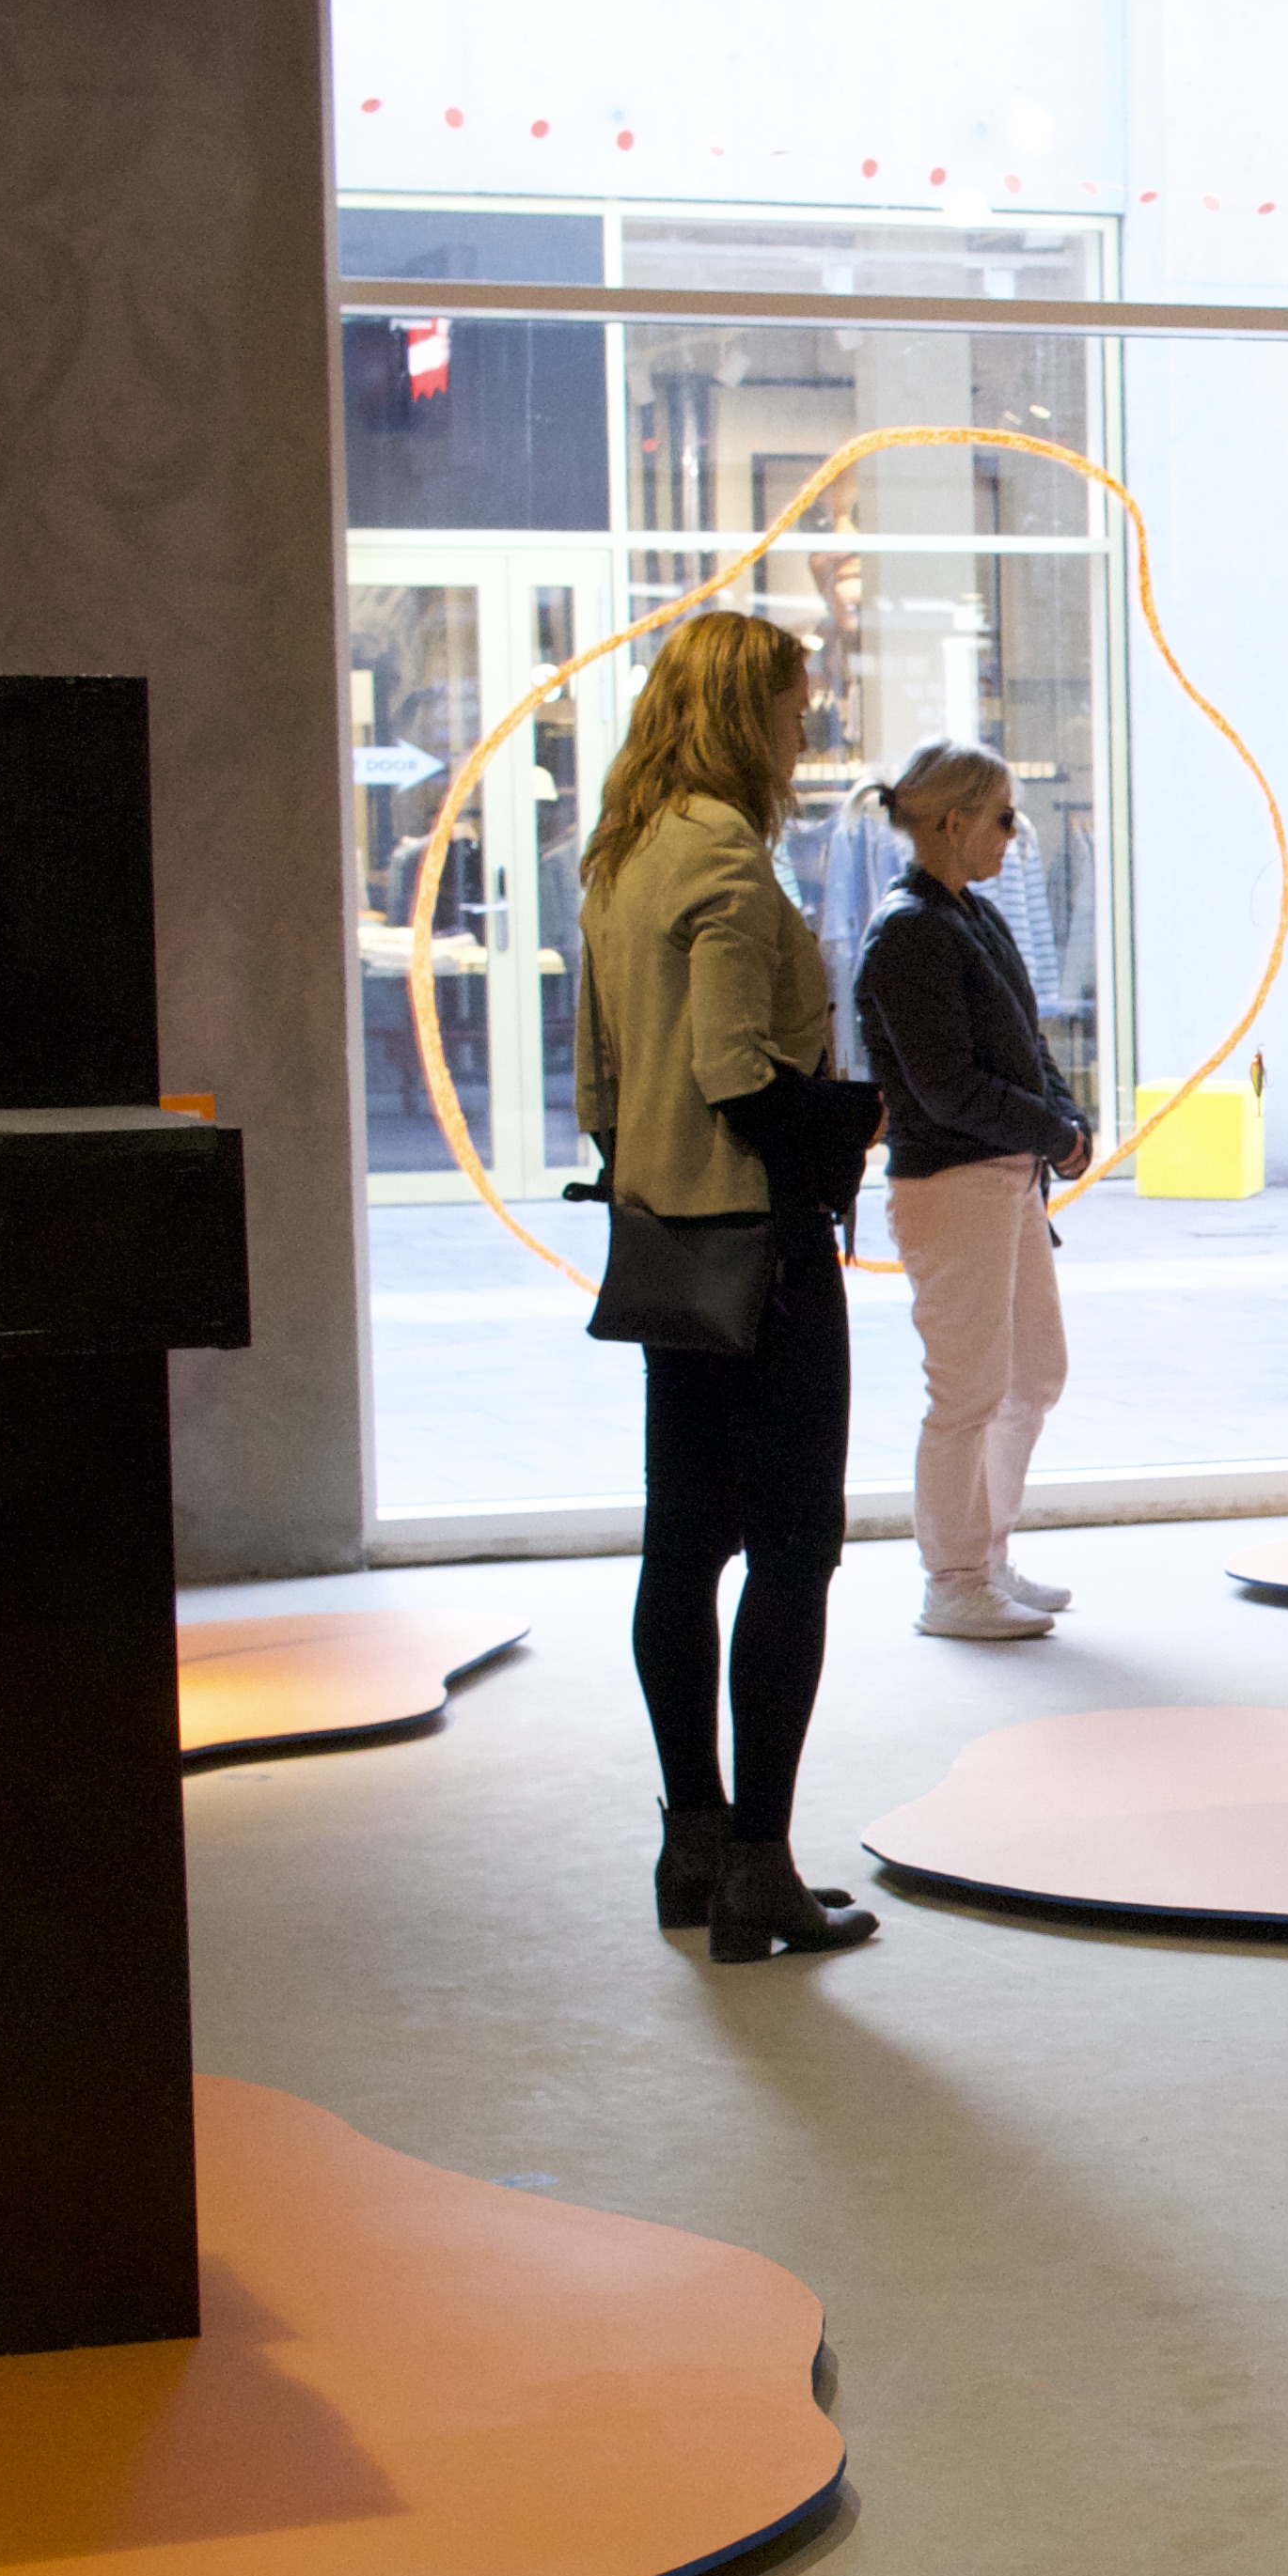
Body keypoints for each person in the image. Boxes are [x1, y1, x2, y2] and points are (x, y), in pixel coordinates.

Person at [572, 607, 884, 1962]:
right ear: (743, 713)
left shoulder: (622, 854)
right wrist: (855, 1123)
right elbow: (735, 1071)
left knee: (683, 1545)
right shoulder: (721, 853)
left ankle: (692, 1845)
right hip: (761, 1249)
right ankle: (761, 1863)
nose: (804, 733)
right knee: (794, 1553)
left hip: (666, 1249)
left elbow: (599, 1086)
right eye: (794, 708)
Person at [851, 739, 1093, 1642]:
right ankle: (952, 1580)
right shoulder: (910, 931)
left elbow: (1024, 1046)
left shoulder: (967, 916)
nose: (1013, 833)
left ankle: (984, 1558)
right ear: (952, 822)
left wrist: (1062, 1123)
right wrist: (1055, 1132)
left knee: (1033, 1374)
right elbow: (948, 1087)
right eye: (1002, 816)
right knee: (969, 1389)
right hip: (953, 1184)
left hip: (1004, 1177)